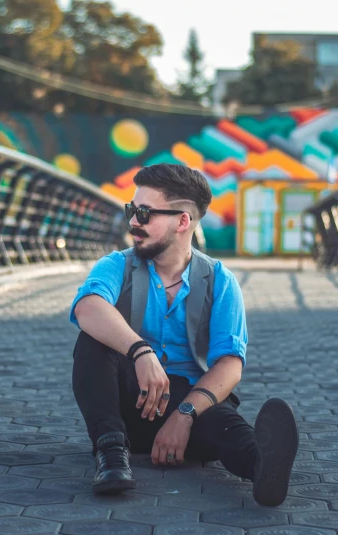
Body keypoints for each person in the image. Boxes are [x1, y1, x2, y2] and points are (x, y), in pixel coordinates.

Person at [71, 163, 298, 507]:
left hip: (191, 408)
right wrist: (140, 352)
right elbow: (87, 308)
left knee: (225, 423)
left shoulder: (220, 281)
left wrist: (183, 417)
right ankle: (111, 455)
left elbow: (229, 365)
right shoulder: (116, 265)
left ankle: (263, 468)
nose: (133, 221)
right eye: (132, 210)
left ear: (182, 221)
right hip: (124, 408)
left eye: (145, 213)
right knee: (93, 339)